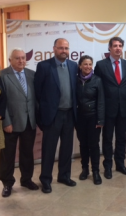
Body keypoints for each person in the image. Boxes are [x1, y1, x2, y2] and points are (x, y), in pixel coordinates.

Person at [35, 38, 78, 193]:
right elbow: (38, 94)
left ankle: (64, 176)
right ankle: (46, 179)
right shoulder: (44, 66)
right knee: (49, 150)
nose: (64, 51)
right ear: (54, 49)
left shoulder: (74, 66)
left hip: (69, 115)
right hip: (52, 116)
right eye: (61, 48)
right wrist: (42, 117)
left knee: (67, 149)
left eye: (66, 48)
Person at [0, 48, 38, 197]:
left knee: (27, 154)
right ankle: (7, 183)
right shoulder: (2, 75)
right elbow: (1, 102)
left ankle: (26, 179)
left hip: (29, 122)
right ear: (10, 60)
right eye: (17, 58)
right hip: (11, 123)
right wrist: (6, 122)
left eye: (23, 58)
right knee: (7, 156)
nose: (21, 60)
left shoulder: (32, 74)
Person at [94, 37, 126, 179]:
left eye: (120, 45)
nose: (118, 48)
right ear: (109, 48)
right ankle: (108, 166)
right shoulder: (100, 65)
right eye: (115, 45)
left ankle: (120, 164)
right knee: (108, 138)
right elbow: (96, 88)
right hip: (108, 109)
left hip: (123, 108)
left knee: (121, 138)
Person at [76, 55, 105, 184]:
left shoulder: (97, 80)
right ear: (80, 66)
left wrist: (100, 120)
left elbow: (101, 102)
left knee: (94, 145)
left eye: (90, 64)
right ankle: (85, 169)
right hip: (80, 119)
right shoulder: (75, 80)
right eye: (85, 64)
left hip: (93, 118)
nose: (88, 67)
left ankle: (96, 172)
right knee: (83, 145)